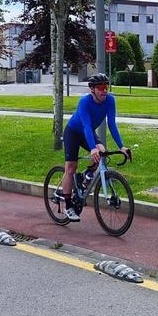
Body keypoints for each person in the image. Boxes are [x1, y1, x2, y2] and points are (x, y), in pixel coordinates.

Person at [58, 74, 130, 221]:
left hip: (89, 132)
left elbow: (112, 125)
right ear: (92, 89)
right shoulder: (84, 102)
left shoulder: (110, 100)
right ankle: (68, 206)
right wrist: (92, 148)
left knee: (102, 153)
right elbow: (86, 125)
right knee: (71, 167)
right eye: (101, 88)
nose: (105, 91)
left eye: (106, 87)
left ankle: (86, 176)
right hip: (74, 132)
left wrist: (121, 146)